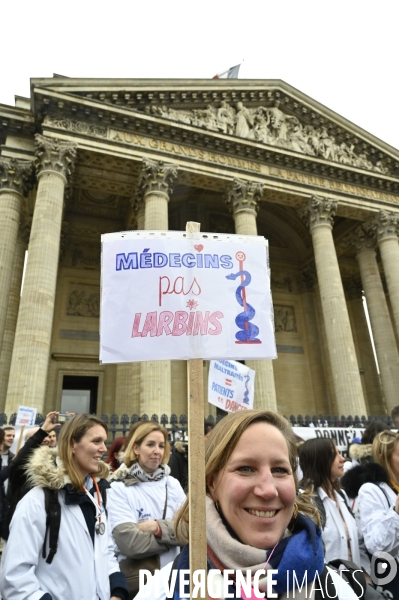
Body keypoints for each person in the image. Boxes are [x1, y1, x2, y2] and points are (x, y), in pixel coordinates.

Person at [137, 410, 357, 600]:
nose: (268, 490)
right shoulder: (161, 591)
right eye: (245, 468)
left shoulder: (337, 590)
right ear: (212, 483)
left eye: (279, 470)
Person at [1, 414, 128, 600]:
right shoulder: (37, 501)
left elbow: (105, 552)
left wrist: (117, 592)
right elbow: (15, 578)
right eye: (96, 441)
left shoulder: (97, 496)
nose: (103, 448)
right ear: (72, 445)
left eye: (104, 441)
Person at [108, 422, 185, 573]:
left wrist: (157, 528)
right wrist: (174, 535)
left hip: (172, 577)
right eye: (150, 444)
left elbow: (192, 529)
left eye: (161, 446)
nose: (157, 451)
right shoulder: (118, 488)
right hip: (138, 582)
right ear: (136, 448)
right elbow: (131, 543)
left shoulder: (172, 484)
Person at [299, 437, 362, 566]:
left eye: (340, 453)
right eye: (335, 455)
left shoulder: (341, 495)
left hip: (354, 580)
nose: (342, 459)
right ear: (320, 461)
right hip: (330, 583)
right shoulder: (306, 501)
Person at [2, 411, 61, 542]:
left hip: (48, 529)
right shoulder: (19, 465)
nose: (44, 439)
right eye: (39, 438)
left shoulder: (56, 464)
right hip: (21, 529)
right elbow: (18, 464)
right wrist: (42, 431)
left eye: (46, 439)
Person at [352, 430, 399, 596]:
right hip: (392, 580)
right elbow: (376, 546)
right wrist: (396, 512)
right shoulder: (372, 490)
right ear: (385, 458)